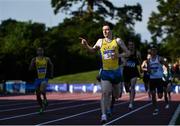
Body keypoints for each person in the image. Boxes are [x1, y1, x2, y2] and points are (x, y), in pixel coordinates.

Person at [80, 23, 130, 124]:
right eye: (103, 30)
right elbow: (92, 50)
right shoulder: (100, 41)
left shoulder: (117, 41)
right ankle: (103, 115)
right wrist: (86, 45)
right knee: (104, 93)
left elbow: (128, 53)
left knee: (117, 95)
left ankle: (111, 101)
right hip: (105, 72)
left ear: (111, 31)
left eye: (107, 30)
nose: (105, 31)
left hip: (116, 72)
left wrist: (119, 55)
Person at [29, 47, 54, 114]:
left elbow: (51, 66)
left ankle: (45, 99)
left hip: (45, 78)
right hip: (37, 79)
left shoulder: (47, 59)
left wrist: (51, 74)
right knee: (37, 95)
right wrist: (32, 65)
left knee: (42, 88)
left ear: (43, 52)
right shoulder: (34, 59)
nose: (40, 52)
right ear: (37, 52)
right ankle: (41, 107)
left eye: (41, 50)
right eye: (38, 51)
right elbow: (30, 68)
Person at [147, 45, 167, 115]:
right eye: (152, 50)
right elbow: (148, 70)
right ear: (150, 52)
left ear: (156, 51)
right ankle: (155, 108)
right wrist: (149, 70)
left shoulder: (159, 58)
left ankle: (163, 93)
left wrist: (164, 70)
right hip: (152, 79)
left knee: (160, 96)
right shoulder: (148, 60)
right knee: (153, 94)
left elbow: (166, 64)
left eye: (155, 50)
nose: (153, 51)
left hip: (159, 79)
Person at [123, 41, 141, 110]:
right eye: (130, 45)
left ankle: (131, 103)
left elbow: (140, 61)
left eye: (132, 45)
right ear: (127, 46)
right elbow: (122, 60)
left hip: (134, 71)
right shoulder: (125, 53)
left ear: (134, 46)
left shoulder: (137, 53)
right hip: (126, 72)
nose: (131, 46)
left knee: (132, 86)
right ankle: (131, 92)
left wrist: (141, 69)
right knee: (127, 89)